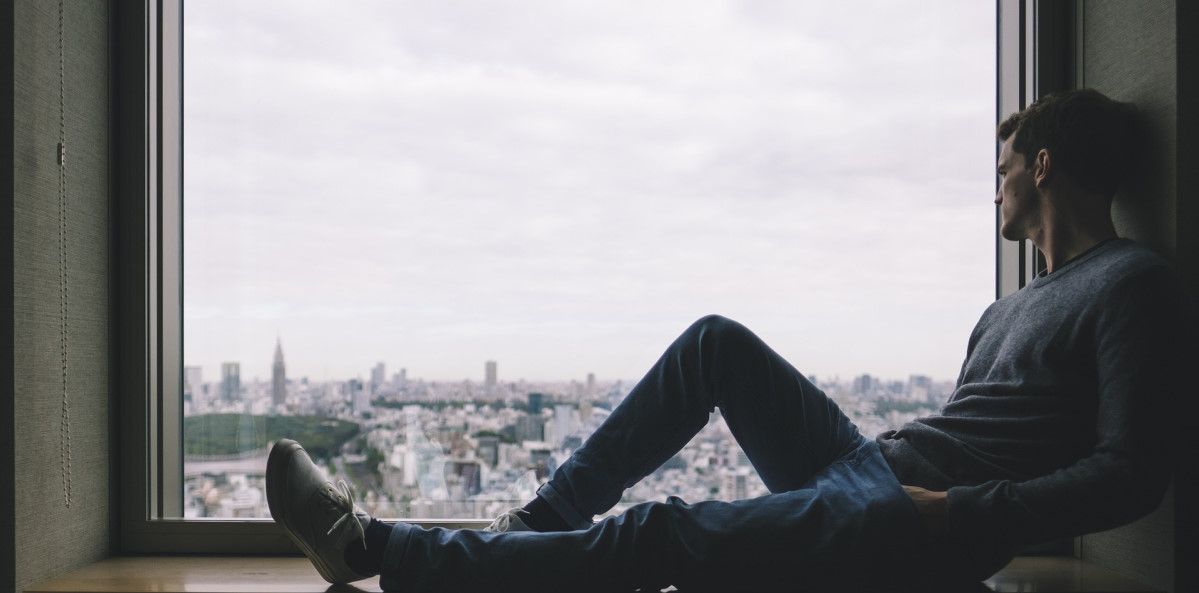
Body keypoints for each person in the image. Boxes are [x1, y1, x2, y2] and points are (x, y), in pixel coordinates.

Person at [265, 88, 1194, 592]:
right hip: (879, 471)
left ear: (1042, 165)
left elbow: (1131, 474)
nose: (992, 188)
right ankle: (537, 525)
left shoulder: (1129, 281)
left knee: (662, 531)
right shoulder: (1004, 309)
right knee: (713, 342)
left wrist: (953, 515)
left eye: (1002, 169)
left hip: (914, 520)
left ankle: (373, 548)